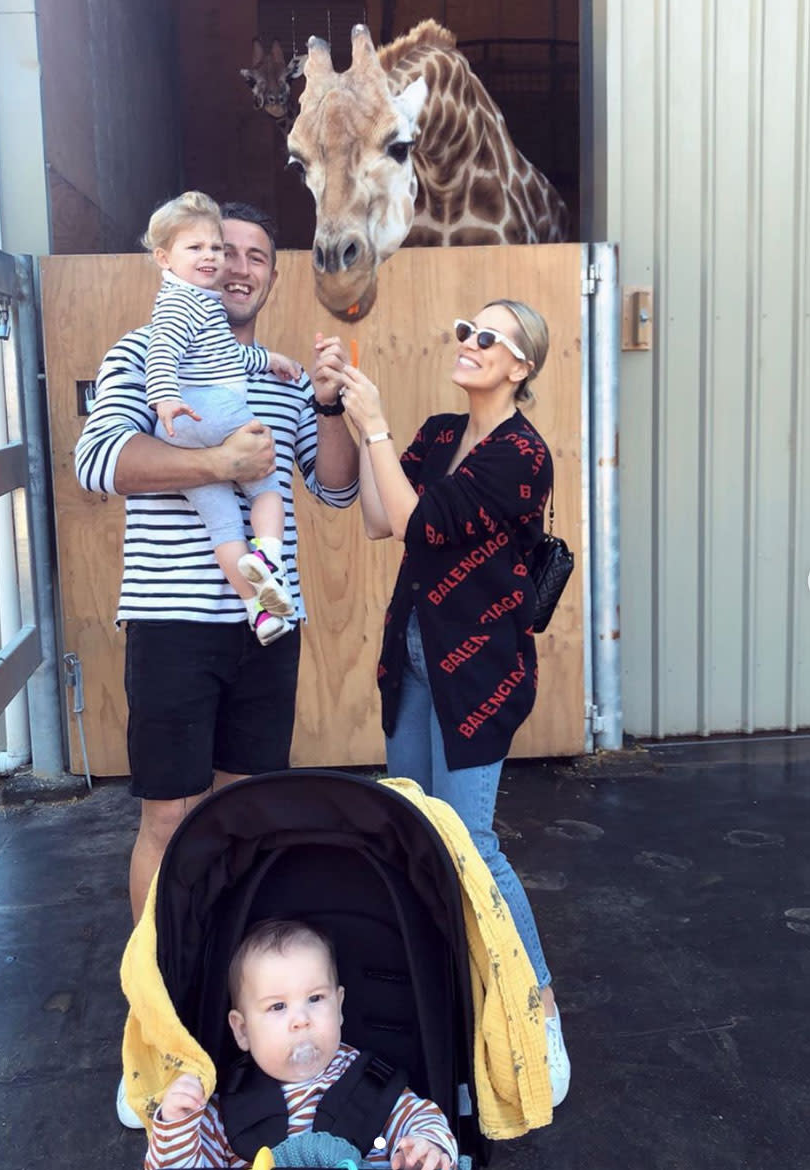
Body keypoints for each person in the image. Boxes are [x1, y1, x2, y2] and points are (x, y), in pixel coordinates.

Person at [74, 202, 359, 924]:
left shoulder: (283, 378)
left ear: (271, 275)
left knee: (249, 811)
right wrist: (214, 462)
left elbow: (335, 487)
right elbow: (99, 460)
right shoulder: (142, 353)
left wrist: (328, 405)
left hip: (266, 625)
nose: (235, 266)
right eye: (220, 250)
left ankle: (236, 972)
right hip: (173, 624)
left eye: (254, 256)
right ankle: (159, 994)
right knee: (170, 817)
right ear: (179, 261)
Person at [333, 300, 571, 1107]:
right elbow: (374, 517)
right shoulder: (438, 433)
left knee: (469, 838)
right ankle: (444, 1006)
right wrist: (348, 408)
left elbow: (420, 524)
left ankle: (538, 1009)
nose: (468, 344)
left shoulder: (521, 456)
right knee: (413, 831)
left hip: (479, 677)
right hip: (412, 659)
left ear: (520, 365)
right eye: (465, 331)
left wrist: (370, 426)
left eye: (488, 338)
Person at [144, 919, 457, 1170]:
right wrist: (176, 1126)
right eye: (278, 1007)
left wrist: (428, 1145)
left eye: (316, 999)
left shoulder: (371, 1083)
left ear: (339, 1006)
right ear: (242, 1030)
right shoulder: (224, 1109)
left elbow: (420, 1116)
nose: (301, 1020)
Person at [144, 190, 302, 645]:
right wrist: (165, 397)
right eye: (207, 249)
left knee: (225, 530)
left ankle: (261, 613)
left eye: (215, 248)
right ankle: (269, 555)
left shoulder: (192, 309)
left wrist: (268, 359)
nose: (218, 261)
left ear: (272, 275)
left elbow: (225, 356)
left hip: (181, 430)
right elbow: (162, 352)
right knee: (265, 486)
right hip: (206, 410)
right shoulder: (187, 304)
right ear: (164, 258)